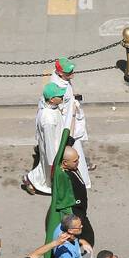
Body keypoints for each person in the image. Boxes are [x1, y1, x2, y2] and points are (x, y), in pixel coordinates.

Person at [49, 57, 92, 186]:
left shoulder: (63, 80)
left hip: (71, 122)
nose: (72, 73)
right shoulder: (58, 87)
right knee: (73, 149)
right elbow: (62, 111)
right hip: (67, 126)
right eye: (69, 72)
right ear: (60, 73)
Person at [23, 82, 66, 195]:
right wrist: (53, 162)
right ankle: (31, 179)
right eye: (59, 96)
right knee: (47, 172)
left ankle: (31, 178)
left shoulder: (49, 106)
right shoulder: (48, 120)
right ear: (51, 99)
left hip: (55, 145)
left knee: (43, 168)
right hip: (54, 150)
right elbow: (50, 144)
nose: (62, 97)